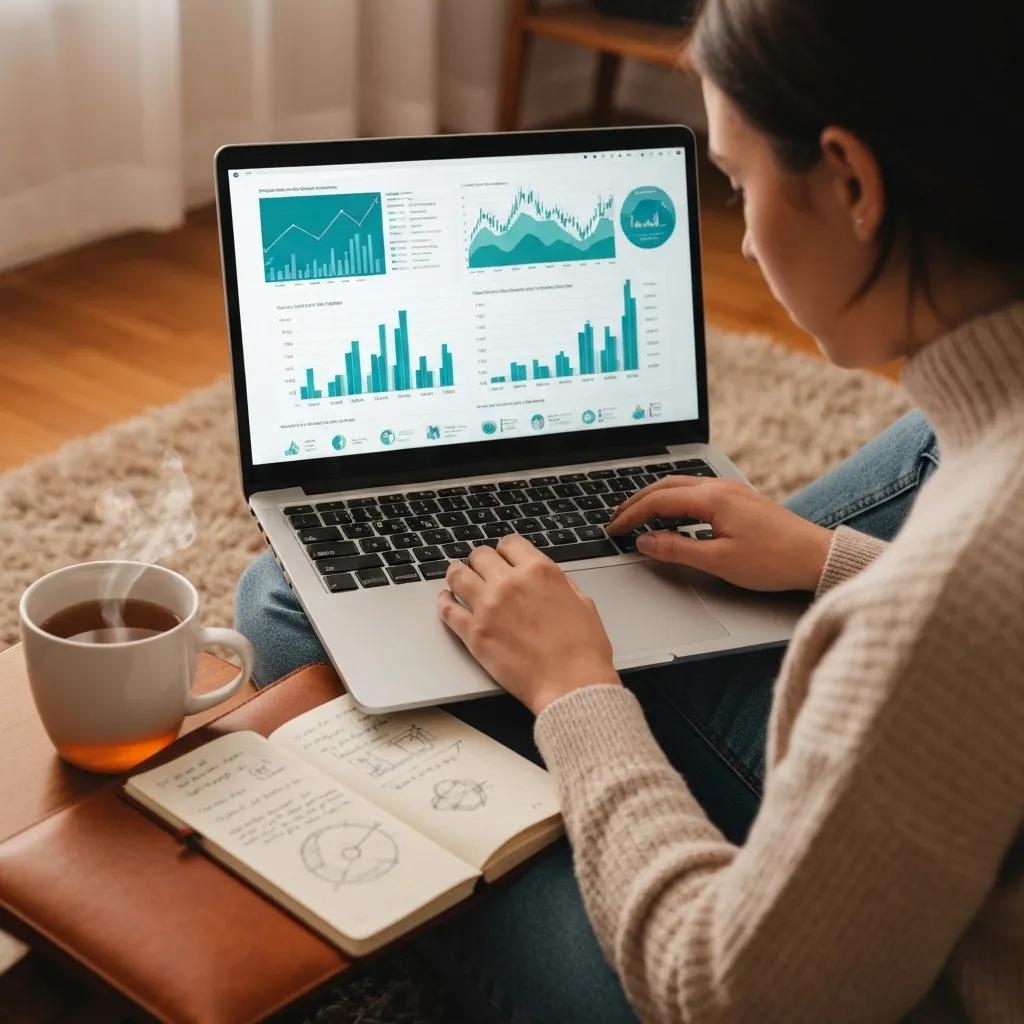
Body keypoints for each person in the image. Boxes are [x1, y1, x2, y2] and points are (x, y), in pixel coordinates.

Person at [236, 1, 1024, 1019]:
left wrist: (573, 692)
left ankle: (542, 727)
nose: (738, 241)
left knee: (286, 604)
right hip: (947, 825)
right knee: (898, 453)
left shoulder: (943, 600)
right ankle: (590, 682)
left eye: (736, 182)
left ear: (851, 181)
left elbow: (722, 992)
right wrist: (823, 559)